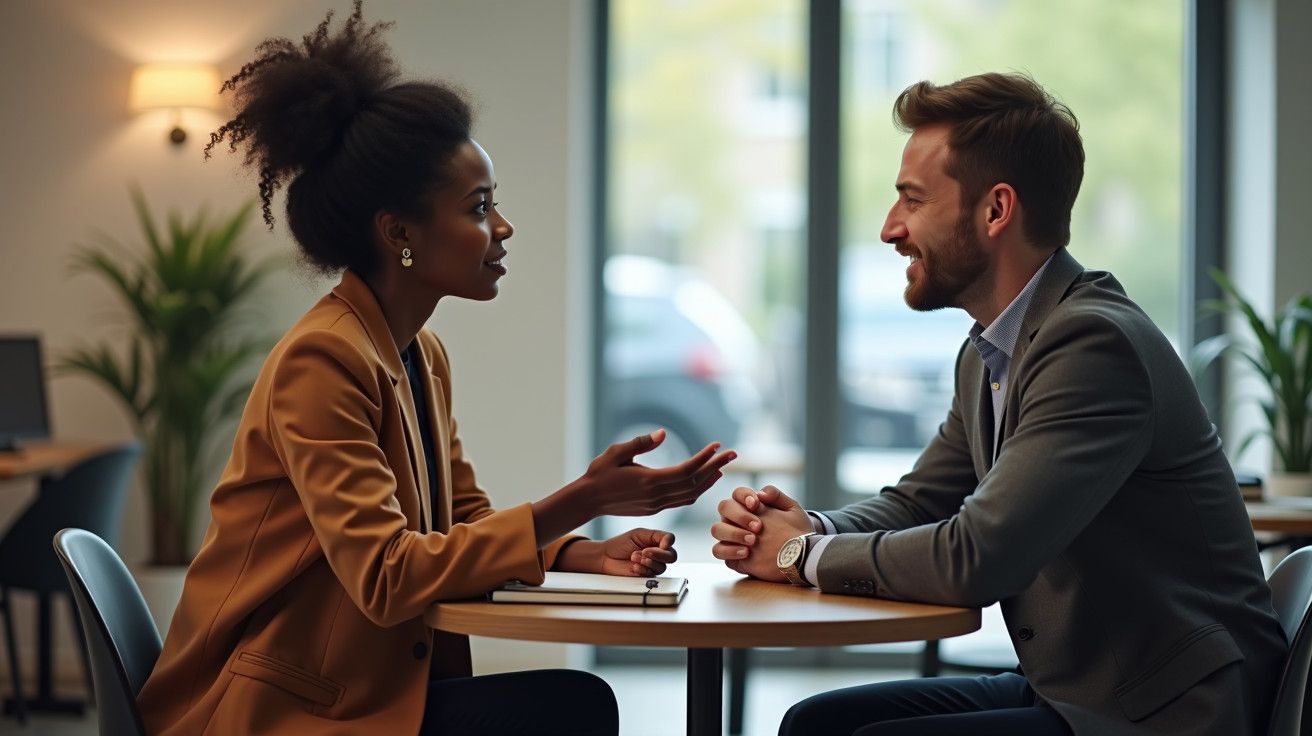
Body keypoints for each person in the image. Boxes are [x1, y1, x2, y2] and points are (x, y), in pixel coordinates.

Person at [134, 4, 736, 734]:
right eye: (479, 208)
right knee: (574, 707)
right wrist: (581, 498)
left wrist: (583, 552)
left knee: (572, 703)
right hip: (277, 708)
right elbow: (388, 577)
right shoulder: (322, 361)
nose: (503, 228)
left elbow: (462, 521)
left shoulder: (418, 351)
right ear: (399, 233)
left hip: (353, 689)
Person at [710, 72, 1287, 736]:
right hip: (1079, 690)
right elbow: (920, 503)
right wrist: (808, 527)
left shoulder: (1091, 344)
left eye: (912, 199)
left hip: (1168, 713)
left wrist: (799, 554)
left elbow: (977, 558)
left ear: (995, 211)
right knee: (818, 724)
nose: (890, 228)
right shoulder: (990, 349)